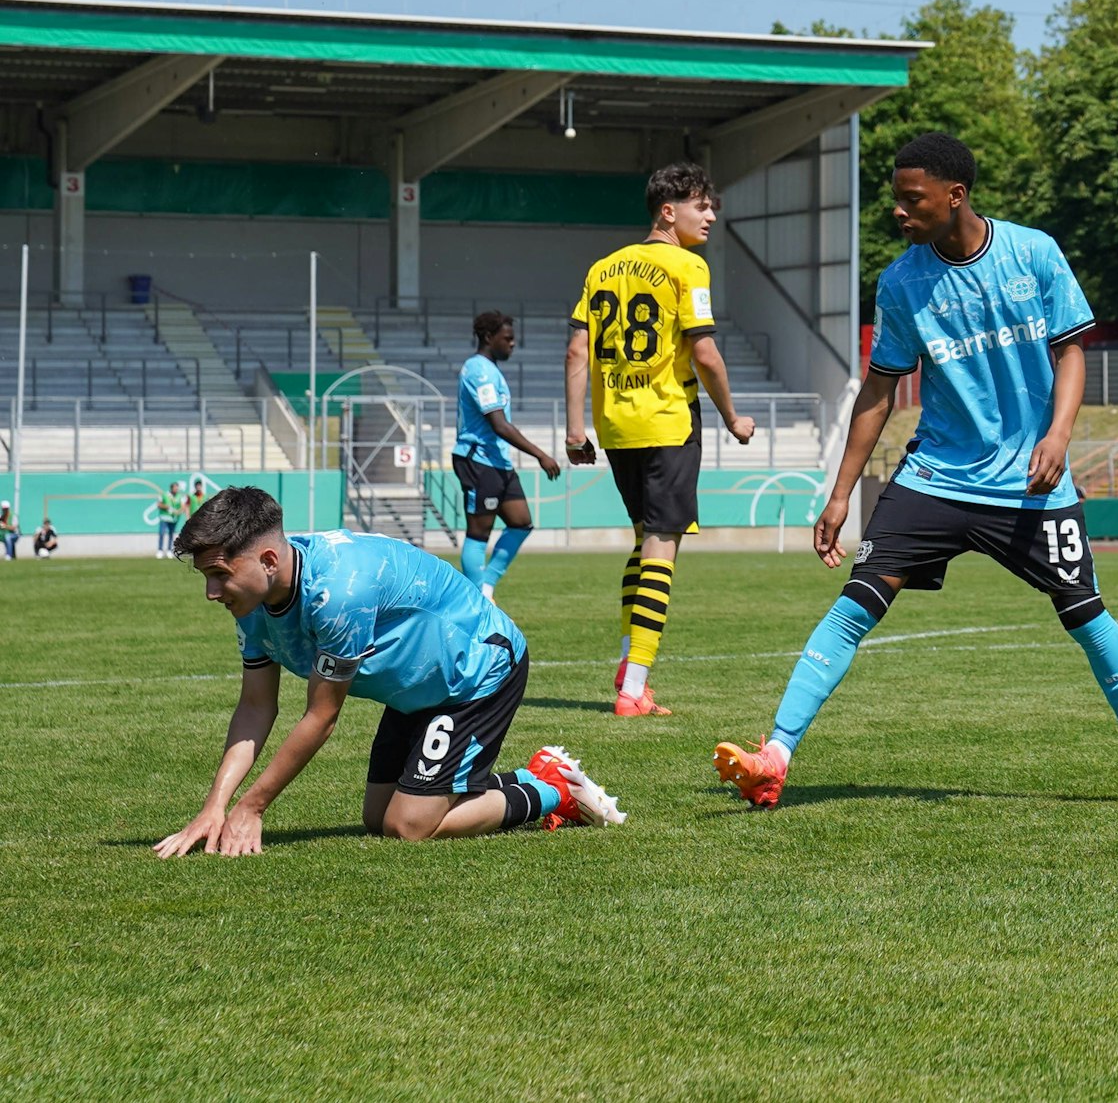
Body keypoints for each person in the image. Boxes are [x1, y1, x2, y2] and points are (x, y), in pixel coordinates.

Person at [711, 132, 1118, 810]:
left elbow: (1072, 350)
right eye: (896, 199)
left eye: (912, 199)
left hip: (1030, 483)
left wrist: (1057, 435)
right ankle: (775, 757)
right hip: (934, 476)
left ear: (955, 195)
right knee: (857, 602)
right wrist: (839, 494)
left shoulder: (1033, 253)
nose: (899, 212)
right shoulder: (901, 281)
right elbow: (879, 392)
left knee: (1084, 611)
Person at [153, 486, 625, 858]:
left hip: (475, 673)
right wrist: (214, 808)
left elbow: (320, 718)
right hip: (415, 689)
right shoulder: (251, 605)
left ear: (268, 561)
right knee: (378, 817)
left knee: (409, 826)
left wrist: (252, 808)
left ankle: (554, 790)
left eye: (219, 574)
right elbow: (256, 706)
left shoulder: (337, 594)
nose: (212, 592)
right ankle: (535, 774)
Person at [564, 163, 756, 717]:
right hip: (669, 421)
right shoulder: (686, 266)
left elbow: (578, 351)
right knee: (662, 550)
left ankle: (630, 669)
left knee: (644, 539)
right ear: (668, 211)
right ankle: (632, 690)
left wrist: (576, 429)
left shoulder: (603, 267)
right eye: (702, 206)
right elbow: (703, 351)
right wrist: (733, 416)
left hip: (617, 426)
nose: (712, 216)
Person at [454, 310, 562, 600]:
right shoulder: (479, 371)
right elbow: (498, 423)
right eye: (508, 338)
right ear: (489, 337)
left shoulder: (490, 369)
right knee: (479, 532)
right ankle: (477, 598)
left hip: (497, 460)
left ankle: (486, 585)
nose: (513, 344)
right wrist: (541, 454)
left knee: (521, 522)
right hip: (478, 460)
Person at [155, 481, 187, 559]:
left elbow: (183, 507)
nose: (176, 489)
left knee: (171, 534)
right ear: (171, 488)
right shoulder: (165, 495)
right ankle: (160, 550)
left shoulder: (180, 496)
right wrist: (167, 507)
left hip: (173, 519)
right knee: (162, 533)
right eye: (175, 488)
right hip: (164, 517)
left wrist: (178, 511)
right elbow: (159, 504)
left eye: (177, 488)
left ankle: (169, 550)